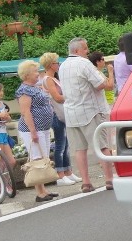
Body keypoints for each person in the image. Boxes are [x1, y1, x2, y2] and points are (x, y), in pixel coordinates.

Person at [59, 38, 115, 192]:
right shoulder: (84, 64)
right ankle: (109, 179)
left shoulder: (63, 66)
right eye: (85, 48)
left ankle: (86, 182)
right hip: (90, 110)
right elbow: (101, 84)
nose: (87, 51)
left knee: (79, 149)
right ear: (77, 50)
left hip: (71, 112)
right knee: (102, 146)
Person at [15, 60, 57, 203]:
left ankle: (43, 189)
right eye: (35, 71)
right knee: (37, 159)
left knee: (43, 157)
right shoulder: (24, 90)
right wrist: (33, 131)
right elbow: (26, 112)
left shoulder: (35, 87)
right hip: (33, 129)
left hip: (43, 128)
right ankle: (39, 192)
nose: (38, 74)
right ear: (27, 74)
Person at [40, 52, 81, 186]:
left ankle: (68, 171)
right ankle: (60, 174)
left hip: (62, 114)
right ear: (50, 65)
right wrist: (71, 96)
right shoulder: (48, 79)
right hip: (56, 114)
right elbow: (57, 97)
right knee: (60, 145)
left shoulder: (54, 78)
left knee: (66, 145)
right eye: (56, 62)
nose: (58, 64)